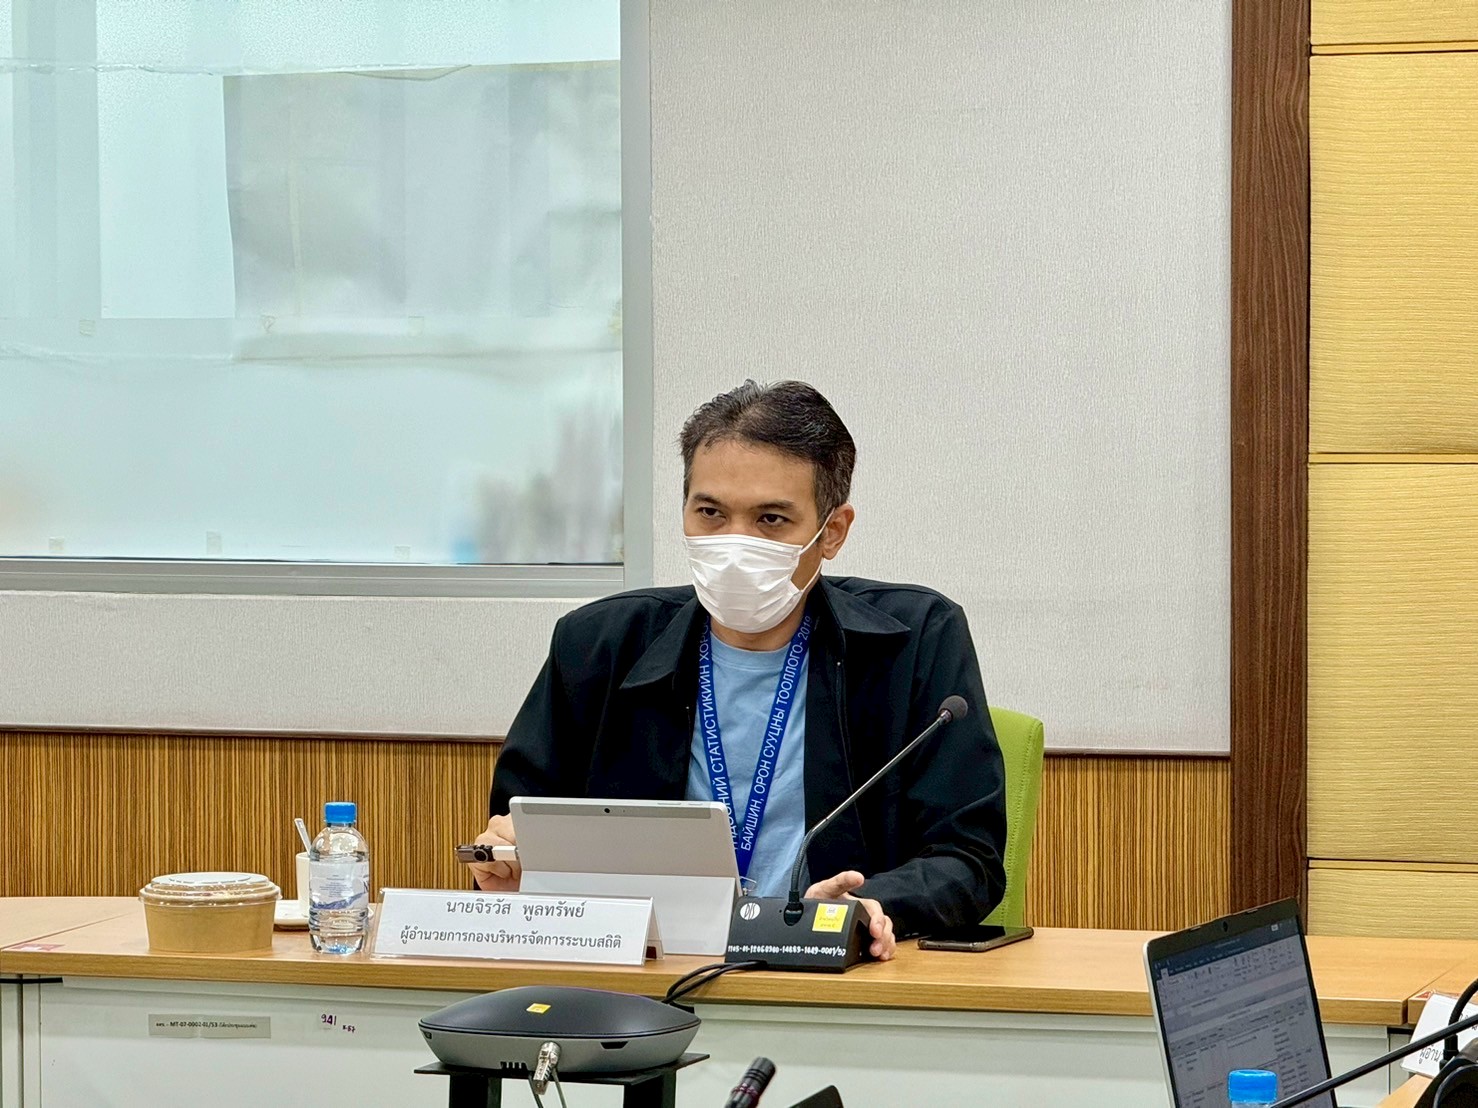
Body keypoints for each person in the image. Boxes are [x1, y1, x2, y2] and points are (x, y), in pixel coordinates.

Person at [469, 380, 1006, 960]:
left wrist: (865, 907)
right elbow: (519, 832)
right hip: (642, 971)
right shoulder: (598, 646)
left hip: (826, 973)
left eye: (770, 519)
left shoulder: (916, 639)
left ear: (832, 532)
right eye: (710, 513)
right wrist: (511, 865)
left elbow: (968, 858)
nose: (734, 544)